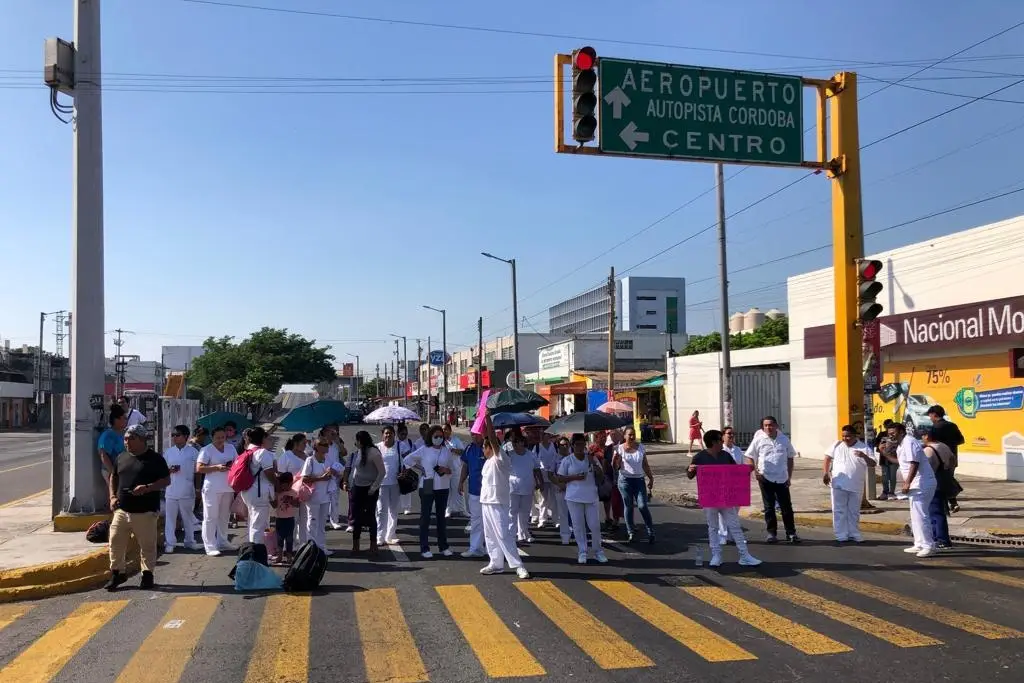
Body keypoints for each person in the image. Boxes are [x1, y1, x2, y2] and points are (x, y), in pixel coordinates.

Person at [105, 425, 170, 590]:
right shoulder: (122, 457)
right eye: (126, 439)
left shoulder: (155, 459)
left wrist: (147, 487)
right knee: (115, 541)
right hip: (122, 509)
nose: (127, 442)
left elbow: (165, 480)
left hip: (145, 511)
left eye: (131, 439)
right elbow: (114, 475)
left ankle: (147, 575)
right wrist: (112, 496)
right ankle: (117, 573)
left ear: (142, 440)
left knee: (147, 545)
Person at [687, 429, 761, 567]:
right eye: (720, 440)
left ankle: (744, 555)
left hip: (726, 497)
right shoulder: (700, 457)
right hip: (710, 499)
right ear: (714, 442)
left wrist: (747, 469)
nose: (723, 442)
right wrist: (691, 470)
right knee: (713, 528)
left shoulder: (725, 456)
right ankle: (716, 555)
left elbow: (735, 472)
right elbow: (690, 475)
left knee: (734, 526)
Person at [478, 414, 531, 578]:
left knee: (503, 534)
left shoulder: (501, 459)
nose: (483, 450)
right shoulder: (487, 462)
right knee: (490, 535)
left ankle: (518, 565)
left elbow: (493, 440)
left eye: (485, 447)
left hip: (498, 502)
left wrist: (487, 420)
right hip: (486, 501)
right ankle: (496, 563)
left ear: (491, 448)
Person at [881, 422, 937, 557]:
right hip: (915, 485)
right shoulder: (901, 444)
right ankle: (919, 543)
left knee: (921, 515)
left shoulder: (909, 442)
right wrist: (884, 453)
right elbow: (901, 462)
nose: (891, 435)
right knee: (915, 516)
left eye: (893, 432)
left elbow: (914, 463)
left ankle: (929, 545)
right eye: (889, 433)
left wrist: (907, 483)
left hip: (921, 483)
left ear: (901, 431)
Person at [745, 416, 800, 544]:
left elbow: (790, 458)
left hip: (782, 478)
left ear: (776, 426)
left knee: (786, 507)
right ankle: (771, 533)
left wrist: (789, 477)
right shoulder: (758, 440)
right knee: (769, 508)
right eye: (765, 425)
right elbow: (749, 456)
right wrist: (756, 472)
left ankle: (791, 533)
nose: (768, 428)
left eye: (770, 425)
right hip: (765, 478)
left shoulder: (784, 440)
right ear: (763, 427)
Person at [403, 425, 454, 558]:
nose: (438, 439)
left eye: (441, 436)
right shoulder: (424, 449)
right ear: (431, 437)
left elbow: (452, 469)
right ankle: (424, 547)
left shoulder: (446, 451)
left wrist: (446, 470)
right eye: (436, 436)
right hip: (427, 484)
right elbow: (407, 460)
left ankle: (443, 546)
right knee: (425, 517)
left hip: (443, 486)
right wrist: (421, 468)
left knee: (441, 518)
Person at [557, 434, 607, 565]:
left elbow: (601, 477)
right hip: (573, 497)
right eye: (576, 444)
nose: (579, 447)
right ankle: (582, 551)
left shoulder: (591, 458)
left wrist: (594, 464)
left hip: (591, 497)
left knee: (594, 525)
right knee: (578, 526)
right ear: (572, 446)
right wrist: (574, 477)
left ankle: (598, 551)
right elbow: (560, 478)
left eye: (581, 444)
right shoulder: (567, 460)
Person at [823, 425, 875, 543]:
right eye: (843, 436)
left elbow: (872, 464)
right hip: (838, 484)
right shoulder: (837, 445)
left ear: (855, 436)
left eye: (848, 436)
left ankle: (854, 533)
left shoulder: (863, 447)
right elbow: (827, 458)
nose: (845, 438)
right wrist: (826, 473)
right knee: (839, 510)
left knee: (854, 511)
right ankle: (841, 534)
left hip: (856, 485)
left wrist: (864, 456)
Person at [196, 426, 236, 556]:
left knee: (224, 516)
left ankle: (222, 541)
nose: (220, 440)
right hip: (212, 488)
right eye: (218, 437)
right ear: (212, 437)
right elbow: (199, 468)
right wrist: (216, 468)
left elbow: (237, 462)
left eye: (223, 437)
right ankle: (210, 545)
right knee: (210, 517)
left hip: (227, 487)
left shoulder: (230, 447)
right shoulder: (206, 450)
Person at [613, 427, 656, 544]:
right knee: (629, 506)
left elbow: (645, 464)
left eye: (633, 434)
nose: (632, 437)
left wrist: (651, 478)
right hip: (625, 481)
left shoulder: (641, 447)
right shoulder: (619, 449)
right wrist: (616, 460)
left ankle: (650, 530)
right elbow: (615, 467)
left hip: (639, 480)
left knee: (642, 506)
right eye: (629, 435)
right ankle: (630, 531)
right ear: (624, 436)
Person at [237, 427, 278, 549]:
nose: (269, 440)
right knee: (258, 525)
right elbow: (269, 473)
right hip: (259, 492)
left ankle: (254, 550)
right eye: (267, 437)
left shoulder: (248, 450)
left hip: (249, 491)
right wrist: (278, 485)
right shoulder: (262, 453)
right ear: (262, 438)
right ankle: (255, 553)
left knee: (253, 522)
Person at [163, 425, 200, 553]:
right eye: (173, 435)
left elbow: (198, 472)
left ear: (185, 436)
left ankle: (190, 541)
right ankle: (170, 543)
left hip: (187, 490)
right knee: (170, 518)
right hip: (171, 490)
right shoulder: (168, 452)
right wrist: (170, 470)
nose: (174, 437)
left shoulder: (193, 452)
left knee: (188, 517)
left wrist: (198, 488)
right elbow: (162, 471)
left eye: (177, 435)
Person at [349, 430, 385, 555]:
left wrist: (373, 488)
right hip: (357, 487)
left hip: (370, 489)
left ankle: (373, 545)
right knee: (356, 517)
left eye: (357, 440)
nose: (356, 443)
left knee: (370, 516)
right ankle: (355, 545)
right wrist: (350, 484)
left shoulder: (374, 453)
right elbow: (356, 470)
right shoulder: (359, 452)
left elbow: (382, 472)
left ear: (362, 441)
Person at [926, 405, 964, 513]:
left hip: (938, 460)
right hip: (951, 459)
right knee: (947, 479)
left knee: (939, 483)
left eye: (930, 416)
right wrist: (950, 445)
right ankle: (952, 503)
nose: (930, 418)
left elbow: (930, 443)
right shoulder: (952, 426)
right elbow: (961, 440)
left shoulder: (935, 428)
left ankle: (945, 507)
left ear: (934, 414)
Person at [301, 437, 336, 554]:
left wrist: (334, 472)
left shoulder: (328, 460)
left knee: (322, 524)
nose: (326, 447)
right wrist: (321, 478)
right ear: (316, 447)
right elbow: (304, 479)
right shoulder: (310, 460)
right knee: (312, 522)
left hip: (325, 496)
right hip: (313, 497)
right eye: (323, 445)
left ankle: (321, 547)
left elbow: (336, 472)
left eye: (327, 445)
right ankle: (311, 549)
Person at [922, 429, 956, 550]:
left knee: (934, 512)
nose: (922, 437)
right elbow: (953, 461)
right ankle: (941, 538)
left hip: (933, 482)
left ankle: (941, 539)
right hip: (944, 480)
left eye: (923, 435)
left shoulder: (928, 451)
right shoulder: (944, 446)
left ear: (927, 436)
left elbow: (925, 469)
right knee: (940, 510)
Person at [507, 432, 542, 545]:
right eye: (515, 442)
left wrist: (540, 482)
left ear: (523, 443)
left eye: (520, 442)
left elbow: (537, 469)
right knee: (512, 511)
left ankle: (523, 533)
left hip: (527, 486)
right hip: (513, 488)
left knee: (525, 512)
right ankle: (511, 535)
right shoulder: (510, 455)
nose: (518, 444)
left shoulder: (531, 455)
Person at [458, 431, 487, 558]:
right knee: (476, 520)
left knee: (490, 522)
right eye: (472, 434)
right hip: (474, 491)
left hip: (490, 492)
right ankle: (475, 548)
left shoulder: (489, 447)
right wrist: (460, 482)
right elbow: (465, 466)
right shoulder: (469, 448)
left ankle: (492, 550)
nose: (474, 437)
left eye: (476, 434)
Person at [277, 433, 309, 545]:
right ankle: (290, 545)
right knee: (292, 519)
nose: (306, 445)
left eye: (306, 443)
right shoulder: (287, 456)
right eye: (303, 443)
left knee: (304, 519)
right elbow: (280, 474)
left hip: (305, 492)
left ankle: (303, 543)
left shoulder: (307, 457)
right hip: (291, 491)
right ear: (296, 443)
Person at [376, 425, 403, 546]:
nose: (388, 435)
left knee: (393, 510)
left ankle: (390, 535)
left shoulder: (399, 446)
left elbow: (405, 461)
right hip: (381, 484)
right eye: (386, 433)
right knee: (381, 510)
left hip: (395, 483)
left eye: (391, 433)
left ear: (394, 434)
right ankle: (380, 536)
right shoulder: (377, 447)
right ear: (382, 435)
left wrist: (404, 471)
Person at [533, 431, 560, 528]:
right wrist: (537, 479)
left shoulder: (555, 446)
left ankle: (555, 519)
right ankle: (542, 519)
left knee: (554, 499)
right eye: (544, 435)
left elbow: (557, 459)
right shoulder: (537, 447)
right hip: (542, 476)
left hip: (553, 476)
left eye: (548, 435)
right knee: (542, 500)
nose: (546, 437)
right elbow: (534, 462)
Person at [272, 472, 299, 565]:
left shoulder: (294, 493)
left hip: (290, 519)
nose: (284, 488)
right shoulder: (278, 493)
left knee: (289, 539)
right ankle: (279, 556)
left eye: (288, 485)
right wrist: (271, 498)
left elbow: (297, 504)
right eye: (282, 485)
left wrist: (291, 500)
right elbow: (274, 505)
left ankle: (289, 557)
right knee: (279, 539)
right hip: (279, 519)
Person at [98, 406, 128, 486]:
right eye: (124, 418)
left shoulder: (126, 433)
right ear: (116, 420)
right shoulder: (108, 435)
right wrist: (113, 473)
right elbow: (103, 455)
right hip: (112, 471)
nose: (126, 420)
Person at [444, 424, 467, 518]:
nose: (444, 431)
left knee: (459, 490)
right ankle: (448, 510)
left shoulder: (455, 440)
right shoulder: (440, 441)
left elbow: (463, 452)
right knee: (447, 491)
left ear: (450, 431)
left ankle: (463, 510)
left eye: (446, 429)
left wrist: (453, 450)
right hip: (445, 470)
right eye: (443, 429)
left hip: (456, 469)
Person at [874, 419, 899, 500]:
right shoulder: (881, 434)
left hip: (894, 459)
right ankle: (885, 492)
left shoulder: (896, 435)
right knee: (885, 477)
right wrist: (881, 447)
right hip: (884, 459)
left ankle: (892, 492)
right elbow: (876, 444)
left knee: (892, 477)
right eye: (887, 426)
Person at [396, 424, 417, 515]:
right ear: (398, 434)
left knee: (407, 487)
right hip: (398, 468)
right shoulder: (395, 443)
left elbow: (413, 454)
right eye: (402, 434)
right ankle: (397, 507)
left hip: (407, 468)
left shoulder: (409, 442)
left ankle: (407, 507)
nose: (404, 436)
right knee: (397, 488)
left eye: (405, 433)